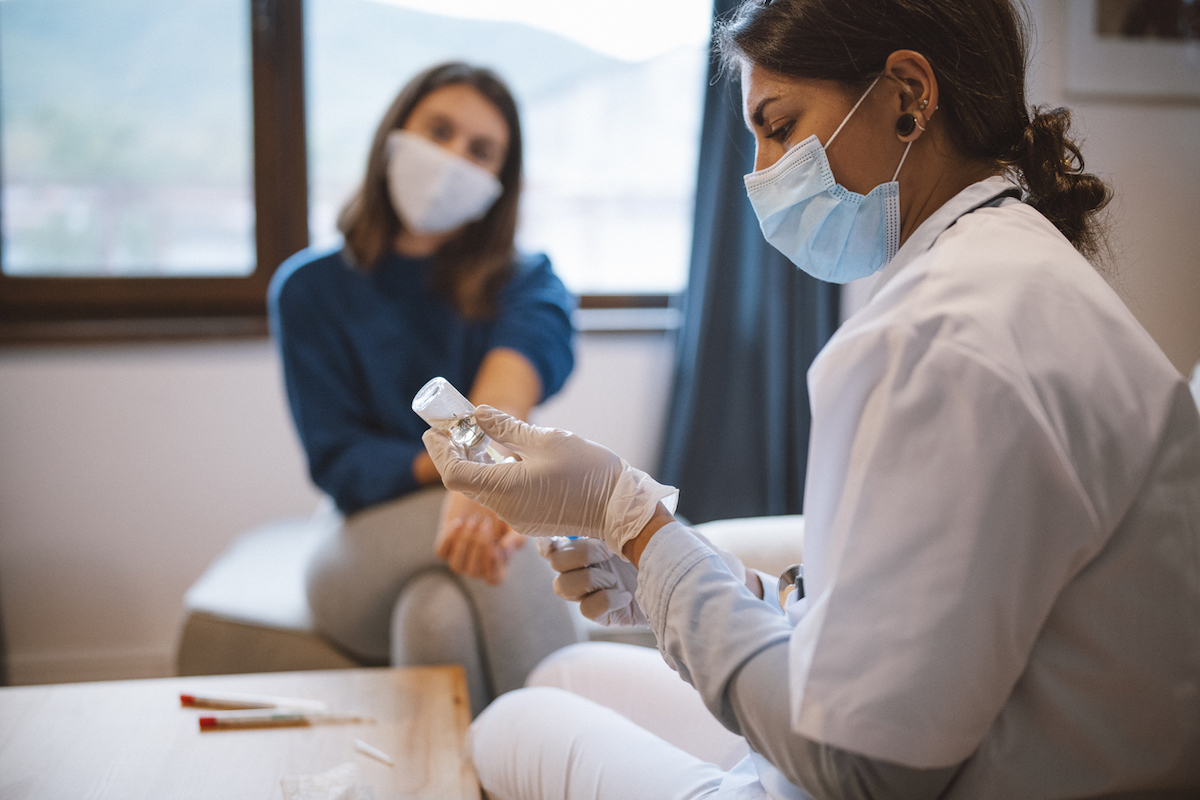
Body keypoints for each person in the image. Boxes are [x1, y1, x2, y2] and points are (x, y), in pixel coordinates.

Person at [421, 1, 1200, 798]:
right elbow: (916, 613)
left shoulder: (935, 338)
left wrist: (635, 522)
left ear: (907, 94)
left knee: (507, 725)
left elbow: (859, 769)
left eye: (782, 127)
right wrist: (686, 577)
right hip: (976, 735)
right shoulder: (1015, 264)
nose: (760, 172)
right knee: (564, 673)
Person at [268, 62, 579, 716]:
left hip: (461, 520)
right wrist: (468, 470)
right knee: (511, 519)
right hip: (360, 544)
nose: (452, 158)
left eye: (480, 150)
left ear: (500, 181)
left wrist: (477, 468)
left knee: (435, 618)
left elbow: (517, 370)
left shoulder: (524, 280)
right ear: (394, 132)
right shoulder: (309, 290)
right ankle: (576, 761)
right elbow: (341, 463)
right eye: (438, 131)